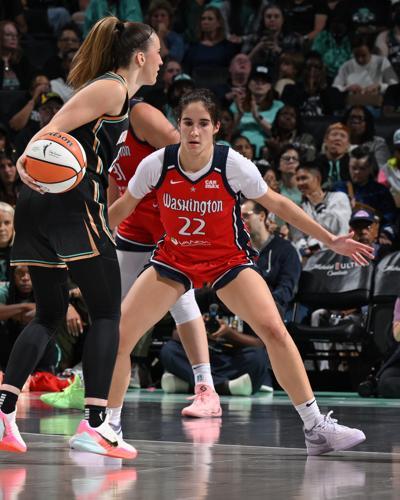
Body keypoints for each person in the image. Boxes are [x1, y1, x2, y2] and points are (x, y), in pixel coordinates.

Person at [108, 88, 373, 456]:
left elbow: (277, 204)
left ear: (216, 126)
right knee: (120, 336)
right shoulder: (157, 163)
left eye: (203, 123)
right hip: (175, 259)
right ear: (177, 125)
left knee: (274, 330)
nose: (195, 131)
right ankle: (107, 426)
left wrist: (330, 240)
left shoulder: (231, 164)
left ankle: (316, 427)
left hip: (227, 261)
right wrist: (85, 239)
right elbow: (122, 208)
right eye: (188, 123)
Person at [0, 16, 162, 459]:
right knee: (108, 313)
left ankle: (4, 412)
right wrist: (31, 161)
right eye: (158, 52)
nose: (162, 60)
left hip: (43, 204)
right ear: (140, 57)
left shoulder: (118, 96)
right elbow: (48, 132)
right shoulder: (112, 88)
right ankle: (95, 425)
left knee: (49, 313)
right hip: (67, 202)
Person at [108, 98, 222, 423]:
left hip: (166, 219)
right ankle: (99, 379)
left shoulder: (140, 113)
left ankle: (206, 389)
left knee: (182, 301)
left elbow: (187, 154)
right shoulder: (98, 122)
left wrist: (191, 210)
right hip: (132, 222)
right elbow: (113, 179)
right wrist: (108, 226)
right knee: (111, 308)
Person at [293, 162, 352, 256]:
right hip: (311, 257)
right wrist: (304, 249)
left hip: (338, 253)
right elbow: (297, 237)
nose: (300, 183)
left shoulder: (339, 198)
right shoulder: (300, 207)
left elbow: (338, 229)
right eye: (297, 179)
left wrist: (318, 206)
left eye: (304, 178)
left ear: (317, 178)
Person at [333, 146, 397, 225]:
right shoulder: (339, 188)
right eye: (353, 168)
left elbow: (389, 215)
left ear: (370, 168)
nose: (357, 172)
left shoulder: (380, 191)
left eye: (362, 168)